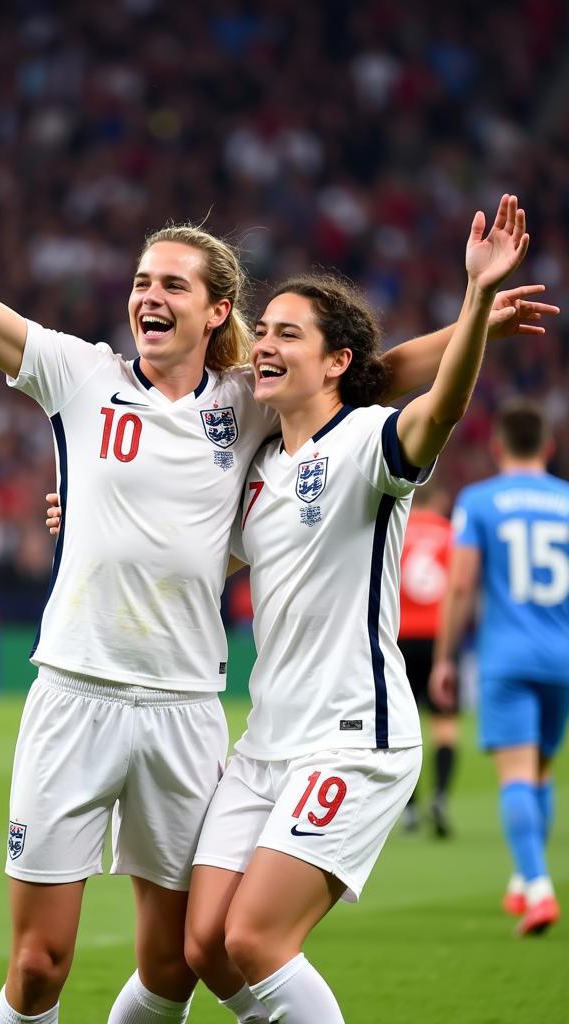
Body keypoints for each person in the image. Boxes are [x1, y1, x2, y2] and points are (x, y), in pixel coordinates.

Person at [0, 110, 555, 1024]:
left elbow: (370, 375)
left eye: (172, 285)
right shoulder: (82, 376)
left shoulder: (253, 401)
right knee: (39, 963)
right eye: (140, 281)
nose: (148, 295)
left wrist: (476, 322)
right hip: (75, 690)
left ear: (216, 311)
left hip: (189, 711)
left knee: (178, 960)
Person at [183, 195, 530, 1022]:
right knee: (201, 944)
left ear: (336, 362)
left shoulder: (369, 444)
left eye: (286, 334)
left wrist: (475, 300)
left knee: (256, 942)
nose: (262, 345)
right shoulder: (260, 469)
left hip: (352, 738)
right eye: (261, 330)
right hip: (267, 741)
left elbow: (439, 406)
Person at [430, 398, 569, 936]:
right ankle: (522, 877)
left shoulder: (480, 501)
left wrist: (445, 657)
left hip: (507, 658)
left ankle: (538, 888)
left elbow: (462, 583)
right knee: (540, 770)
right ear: (549, 447)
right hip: (561, 657)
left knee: (514, 773)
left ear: (498, 445)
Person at [397, 483, 459, 837]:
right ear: (440, 499)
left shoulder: (397, 529)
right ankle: (439, 796)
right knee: (445, 725)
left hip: (399, 638)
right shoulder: (450, 534)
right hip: (440, 640)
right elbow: (460, 584)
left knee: (404, 727)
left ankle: (409, 809)